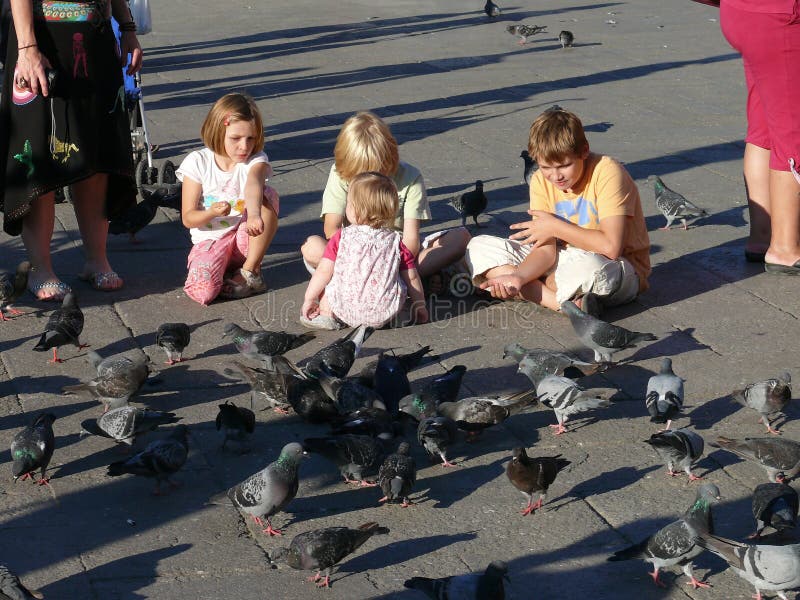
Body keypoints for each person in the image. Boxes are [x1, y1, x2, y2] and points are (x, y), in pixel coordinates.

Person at [0, 0, 143, 300]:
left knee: (96, 153)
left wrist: (127, 28)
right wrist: (27, 49)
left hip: (96, 36)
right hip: (42, 39)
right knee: (39, 154)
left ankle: (97, 259)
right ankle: (41, 268)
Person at [465, 109, 650, 314]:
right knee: (478, 246)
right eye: (545, 167)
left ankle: (536, 289)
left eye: (564, 165)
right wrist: (519, 277)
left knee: (591, 270)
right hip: (561, 259)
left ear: (584, 151)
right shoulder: (539, 180)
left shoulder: (607, 171)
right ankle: (563, 303)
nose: (555, 176)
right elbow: (545, 249)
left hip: (612, 264)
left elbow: (611, 247)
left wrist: (554, 226)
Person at [299, 111, 471, 295]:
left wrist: (388, 264)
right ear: (345, 164)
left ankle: (369, 283)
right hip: (352, 253)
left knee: (460, 237)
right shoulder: (339, 172)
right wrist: (359, 260)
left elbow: (411, 239)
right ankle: (407, 283)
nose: (370, 179)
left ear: (391, 156)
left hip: (396, 254)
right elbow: (331, 229)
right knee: (312, 247)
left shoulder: (410, 177)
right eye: (359, 175)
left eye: (379, 172)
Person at [720, 0, 800, 273]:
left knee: (764, 127)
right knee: (793, 133)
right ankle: (785, 248)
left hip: (744, 13)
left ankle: (763, 237)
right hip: (782, 18)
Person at [177, 93, 279, 305]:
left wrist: (255, 215)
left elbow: (253, 183)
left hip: (243, 236)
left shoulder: (255, 160)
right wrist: (211, 212)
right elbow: (188, 218)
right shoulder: (198, 162)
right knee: (203, 293)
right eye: (235, 138)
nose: (244, 146)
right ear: (217, 131)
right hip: (211, 241)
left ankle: (249, 271)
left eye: (250, 138)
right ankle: (223, 270)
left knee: (266, 194)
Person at [301, 171, 428, 330]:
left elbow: (323, 272)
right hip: (384, 311)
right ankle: (399, 315)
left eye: (348, 203)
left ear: (354, 209)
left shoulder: (342, 237)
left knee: (333, 277)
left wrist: (309, 299)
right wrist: (419, 305)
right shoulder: (396, 242)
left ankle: (327, 315)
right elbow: (412, 277)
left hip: (344, 308)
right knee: (398, 278)